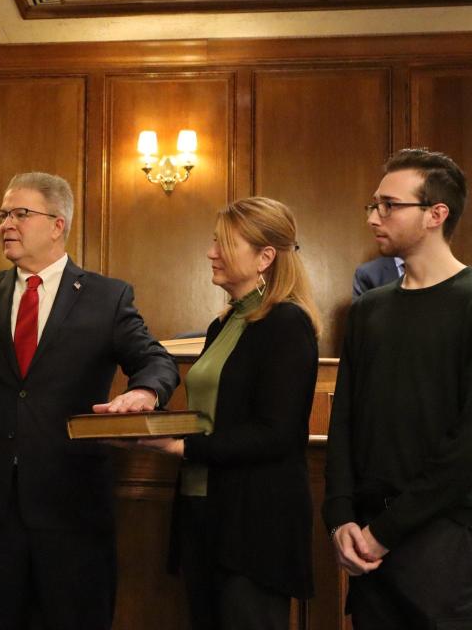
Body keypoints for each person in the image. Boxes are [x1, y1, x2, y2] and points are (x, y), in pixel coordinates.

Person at [0, 172, 180, 630]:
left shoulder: (106, 296)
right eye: (3, 214)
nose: (6, 223)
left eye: (21, 213)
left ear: (57, 224)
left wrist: (143, 392)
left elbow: (156, 361)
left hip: (72, 503)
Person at [139, 197, 320, 629]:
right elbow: (211, 413)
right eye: (212, 242)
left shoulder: (286, 323)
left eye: (223, 244)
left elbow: (277, 433)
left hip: (254, 525)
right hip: (204, 513)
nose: (210, 252)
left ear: (265, 257)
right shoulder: (226, 323)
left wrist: (180, 446)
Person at [323, 148, 472, 629]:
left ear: (436, 214)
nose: (375, 216)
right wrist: (341, 517)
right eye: (373, 204)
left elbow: (470, 445)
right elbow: (345, 419)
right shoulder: (370, 308)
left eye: (390, 205)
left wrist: (383, 532)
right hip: (367, 541)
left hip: (445, 538)